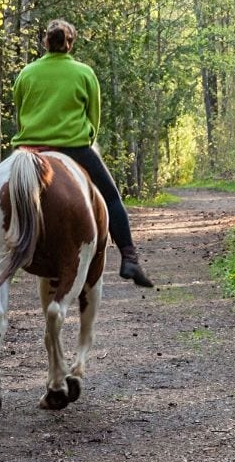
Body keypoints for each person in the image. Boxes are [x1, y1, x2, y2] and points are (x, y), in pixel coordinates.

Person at [11, 19, 153, 287]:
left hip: (29, 148)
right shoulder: (84, 73)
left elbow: (21, 114)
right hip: (74, 147)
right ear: (71, 43)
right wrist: (85, 139)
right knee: (111, 196)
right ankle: (129, 257)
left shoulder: (26, 73)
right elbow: (94, 119)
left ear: (45, 42)